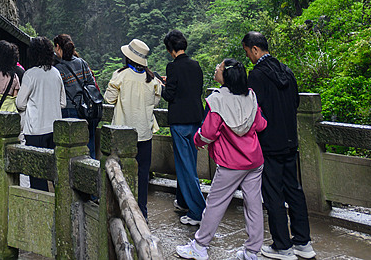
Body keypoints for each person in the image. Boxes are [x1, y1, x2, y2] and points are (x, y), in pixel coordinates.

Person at [176, 59, 267, 260]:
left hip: (230, 163)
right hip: (254, 160)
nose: (216, 69)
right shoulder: (250, 96)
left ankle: (200, 246)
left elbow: (208, 133)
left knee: (216, 204)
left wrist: (197, 139)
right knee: (253, 204)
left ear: (226, 75)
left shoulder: (216, 100)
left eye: (219, 68)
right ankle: (252, 251)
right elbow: (260, 125)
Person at [242, 32, 315, 260]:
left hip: (269, 143)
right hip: (290, 141)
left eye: (247, 52)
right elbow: (295, 103)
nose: (248, 57)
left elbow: (252, 109)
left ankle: (282, 246)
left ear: (255, 49)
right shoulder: (287, 71)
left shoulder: (256, 76)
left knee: (273, 193)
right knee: (293, 190)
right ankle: (303, 242)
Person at [105, 38, 162, 218]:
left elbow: (109, 99)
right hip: (144, 134)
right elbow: (154, 101)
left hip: (123, 136)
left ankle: (122, 212)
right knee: (143, 175)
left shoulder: (120, 75)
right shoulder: (152, 80)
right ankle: (142, 212)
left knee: (120, 173)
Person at [162, 30, 207, 226]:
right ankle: (183, 202)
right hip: (196, 120)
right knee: (190, 163)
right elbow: (192, 90)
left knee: (185, 166)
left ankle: (198, 211)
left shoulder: (172, 67)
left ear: (171, 50)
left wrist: (161, 84)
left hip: (179, 121)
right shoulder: (195, 65)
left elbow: (170, 95)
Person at [15, 37, 66, 191]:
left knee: (37, 175)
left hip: (35, 130)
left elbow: (20, 103)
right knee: (55, 172)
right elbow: (63, 102)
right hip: (54, 129)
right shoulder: (56, 73)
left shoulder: (30, 74)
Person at [53, 33, 101, 159]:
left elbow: (59, 91)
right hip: (87, 110)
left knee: (70, 147)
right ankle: (92, 173)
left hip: (69, 109)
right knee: (89, 144)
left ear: (58, 47)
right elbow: (91, 84)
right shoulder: (82, 62)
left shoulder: (57, 68)